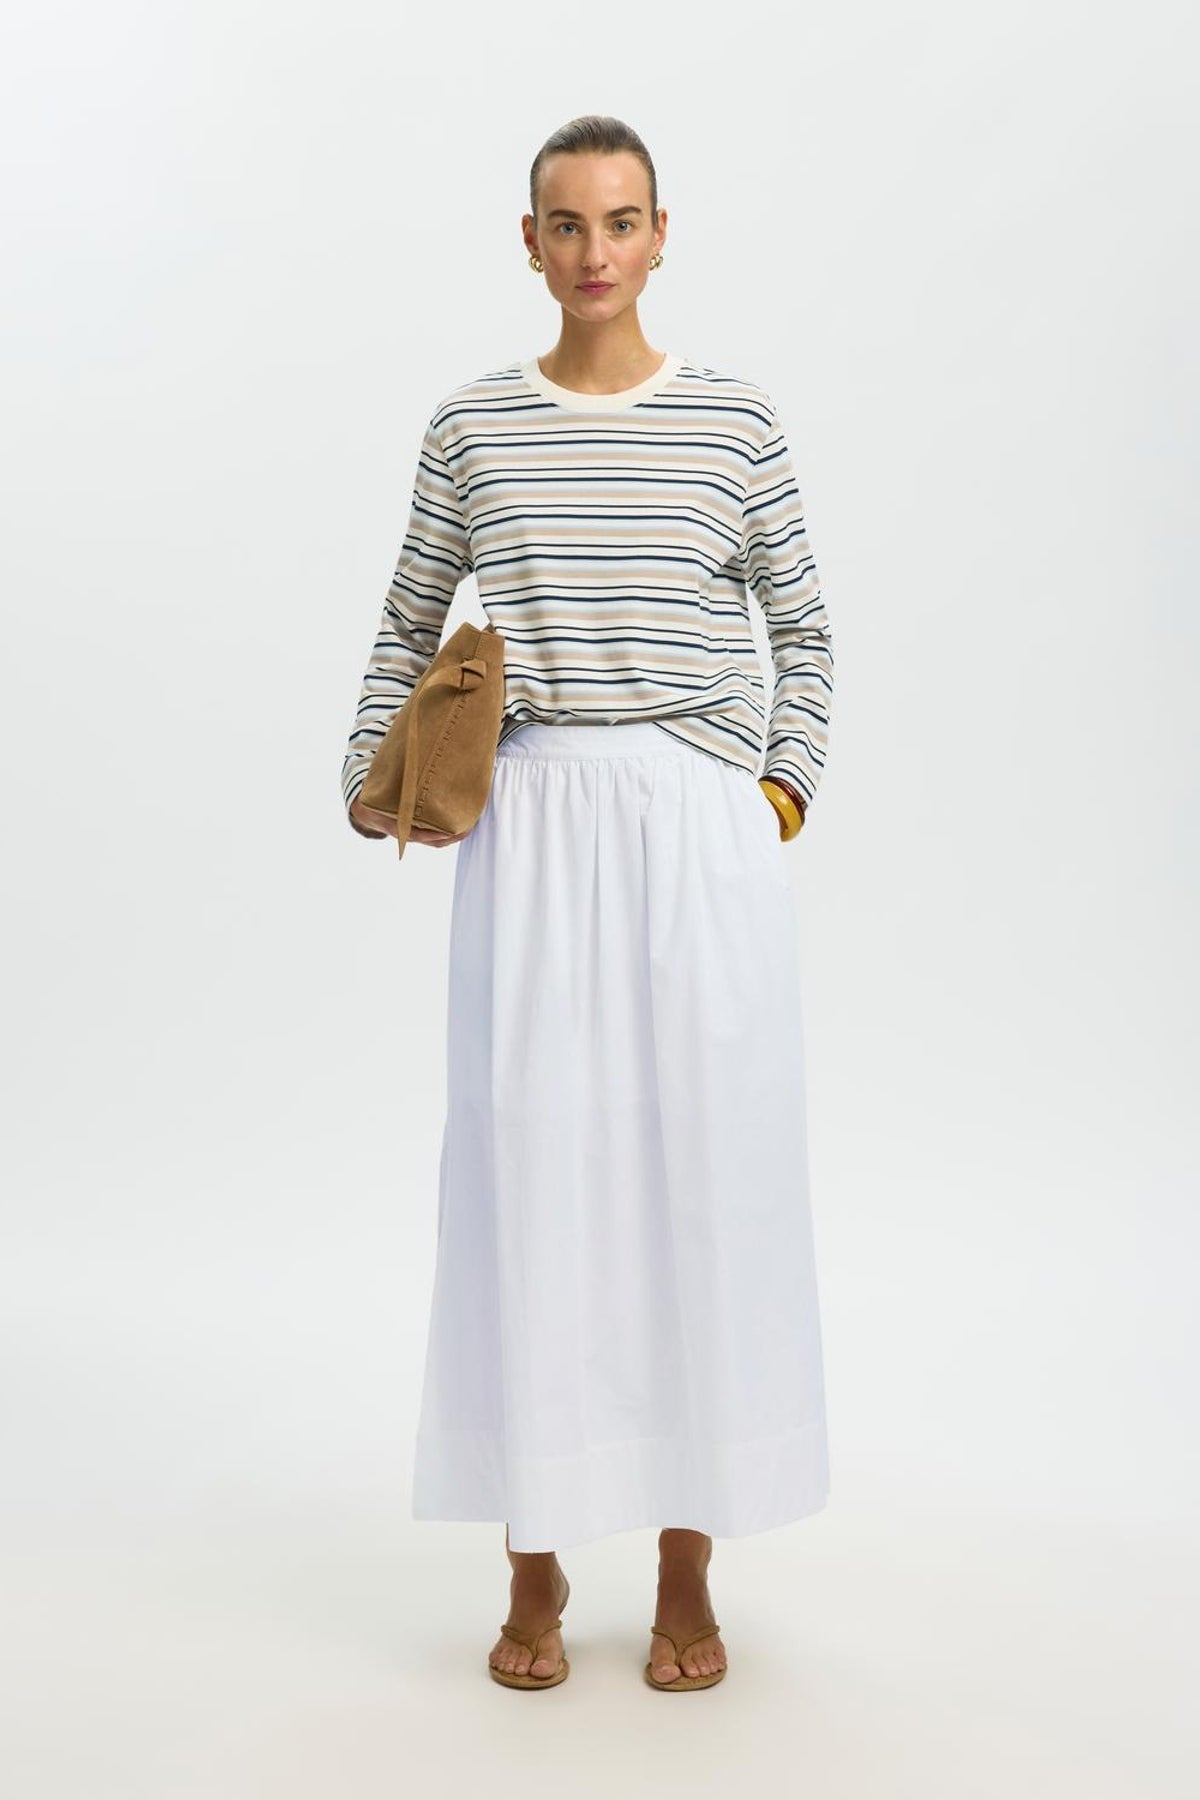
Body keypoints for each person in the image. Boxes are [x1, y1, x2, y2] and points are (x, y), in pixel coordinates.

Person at [341, 114, 834, 1692]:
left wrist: (774, 796)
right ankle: (536, 1565)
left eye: (622, 221)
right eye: (567, 223)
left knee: (701, 1175)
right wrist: (369, 771)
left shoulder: (734, 421)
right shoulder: (474, 427)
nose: (595, 250)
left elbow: (806, 632)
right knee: (531, 1176)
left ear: (662, 234)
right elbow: (406, 620)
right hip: (536, 830)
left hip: (695, 827)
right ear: (531, 242)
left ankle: (688, 1570)